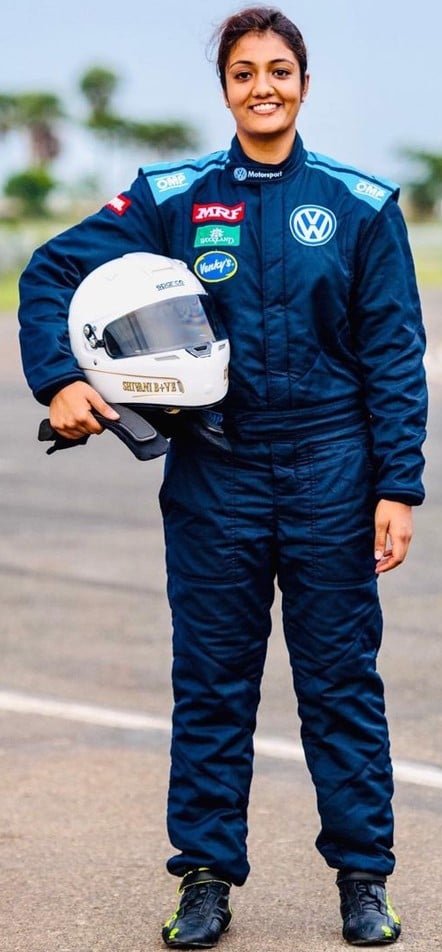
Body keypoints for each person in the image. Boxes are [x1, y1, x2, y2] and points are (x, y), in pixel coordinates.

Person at [18, 6, 427, 947]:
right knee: (211, 684)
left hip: (333, 470)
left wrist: (397, 486)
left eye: (279, 70)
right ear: (226, 89)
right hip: (215, 472)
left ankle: (363, 878)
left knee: (340, 685)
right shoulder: (173, 196)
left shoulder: (361, 205)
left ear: (305, 84)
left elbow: (393, 358)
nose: (263, 87)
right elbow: (49, 272)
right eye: (244, 73)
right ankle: (205, 877)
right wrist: (61, 378)